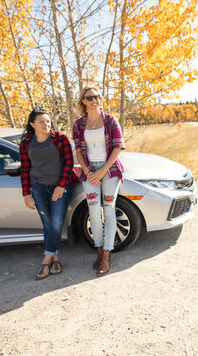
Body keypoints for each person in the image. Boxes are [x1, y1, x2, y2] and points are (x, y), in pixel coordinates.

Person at [72, 85, 125, 275]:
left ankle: (106, 256)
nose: (94, 99)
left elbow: (118, 147)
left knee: (108, 210)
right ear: (83, 101)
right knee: (93, 211)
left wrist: (102, 171)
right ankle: (99, 249)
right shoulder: (78, 124)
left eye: (97, 96)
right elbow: (78, 151)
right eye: (89, 97)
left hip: (109, 170)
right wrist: (87, 172)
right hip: (89, 171)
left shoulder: (110, 120)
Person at [20, 109, 76, 280]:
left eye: (47, 121)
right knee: (47, 223)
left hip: (60, 185)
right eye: (41, 122)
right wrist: (26, 194)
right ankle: (56, 257)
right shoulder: (26, 143)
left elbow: (69, 163)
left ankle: (46, 258)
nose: (46, 124)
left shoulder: (59, 139)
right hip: (38, 187)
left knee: (57, 221)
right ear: (32, 124)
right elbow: (25, 169)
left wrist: (61, 186)